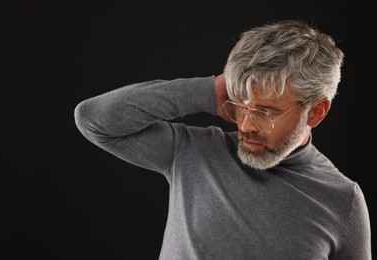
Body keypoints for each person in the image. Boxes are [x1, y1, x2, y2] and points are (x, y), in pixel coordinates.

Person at [74, 19, 371, 259]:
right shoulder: (194, 152)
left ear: (316, 112)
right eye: (240, 105)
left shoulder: (343, 202)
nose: (246, 125)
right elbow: (95, 119)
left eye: (265, 111)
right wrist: (207, 91)